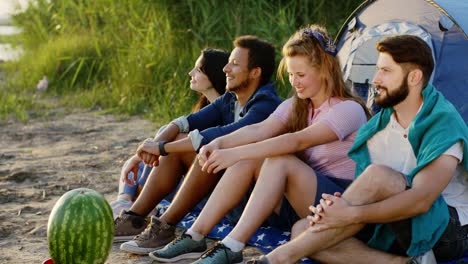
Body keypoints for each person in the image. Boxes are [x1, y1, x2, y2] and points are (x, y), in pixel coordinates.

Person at [149, 24, 370, 264]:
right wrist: (220, 144)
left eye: (301, 75)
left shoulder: (348, 109)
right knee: (251, 158)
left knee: (279, 160)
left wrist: (233, 154)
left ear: (325, 70)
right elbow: (258, 129)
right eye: (291, 75)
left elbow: (296, 141)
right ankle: (195, 235)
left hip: (338, 198)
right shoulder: (297, 105)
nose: (294, 82)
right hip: (303, 202)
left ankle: (232, 245)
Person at [247, 35, 468, 264]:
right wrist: (340, 206)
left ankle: (278, 259)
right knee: (302, 230)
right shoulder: (379, 127)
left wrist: (351, 213)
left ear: (414, 77)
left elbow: (421, 200)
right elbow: (368, 189)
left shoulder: (442, 122)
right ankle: (401, 263)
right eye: (377, 70)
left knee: (379, 176)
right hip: (392, 221)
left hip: (448, 231)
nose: (375, 79)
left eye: (385, 71)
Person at [115, 35, 283, 255]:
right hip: (227, 195)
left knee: (208, 152)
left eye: (234, 63)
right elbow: (186, 122)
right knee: (179, 140)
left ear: (255, 72)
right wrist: (157, 143)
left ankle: (165, 226)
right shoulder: (231, 98)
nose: (225, 69)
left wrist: (162, 148)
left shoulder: (266, 103)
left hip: (256, 202)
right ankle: (135, 218)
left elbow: (222, 135)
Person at [109, 48, 229, 219]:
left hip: (206, 184)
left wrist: (152, 150)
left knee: (159, 151)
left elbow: (196, 143)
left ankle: (136, 205)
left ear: (214, 74)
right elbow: (176, 128)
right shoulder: (204, 111)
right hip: (184, 170)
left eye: (199, 69)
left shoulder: (227, 112)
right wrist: (140, 155)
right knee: (137, 161)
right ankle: (125, 199)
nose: (191, 72)